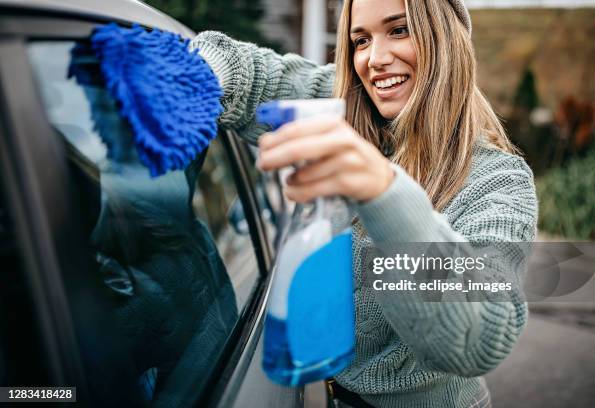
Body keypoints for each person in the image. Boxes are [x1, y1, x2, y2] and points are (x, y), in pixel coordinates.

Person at [190, 0, 537, 407]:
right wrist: (192, 75)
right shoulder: (350, 112)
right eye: (360, 40)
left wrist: (385, 193)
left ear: (448, 39)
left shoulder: (499, 183)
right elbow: (253, 76)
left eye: (399, 30)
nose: (375, 59)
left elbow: (482, 336)